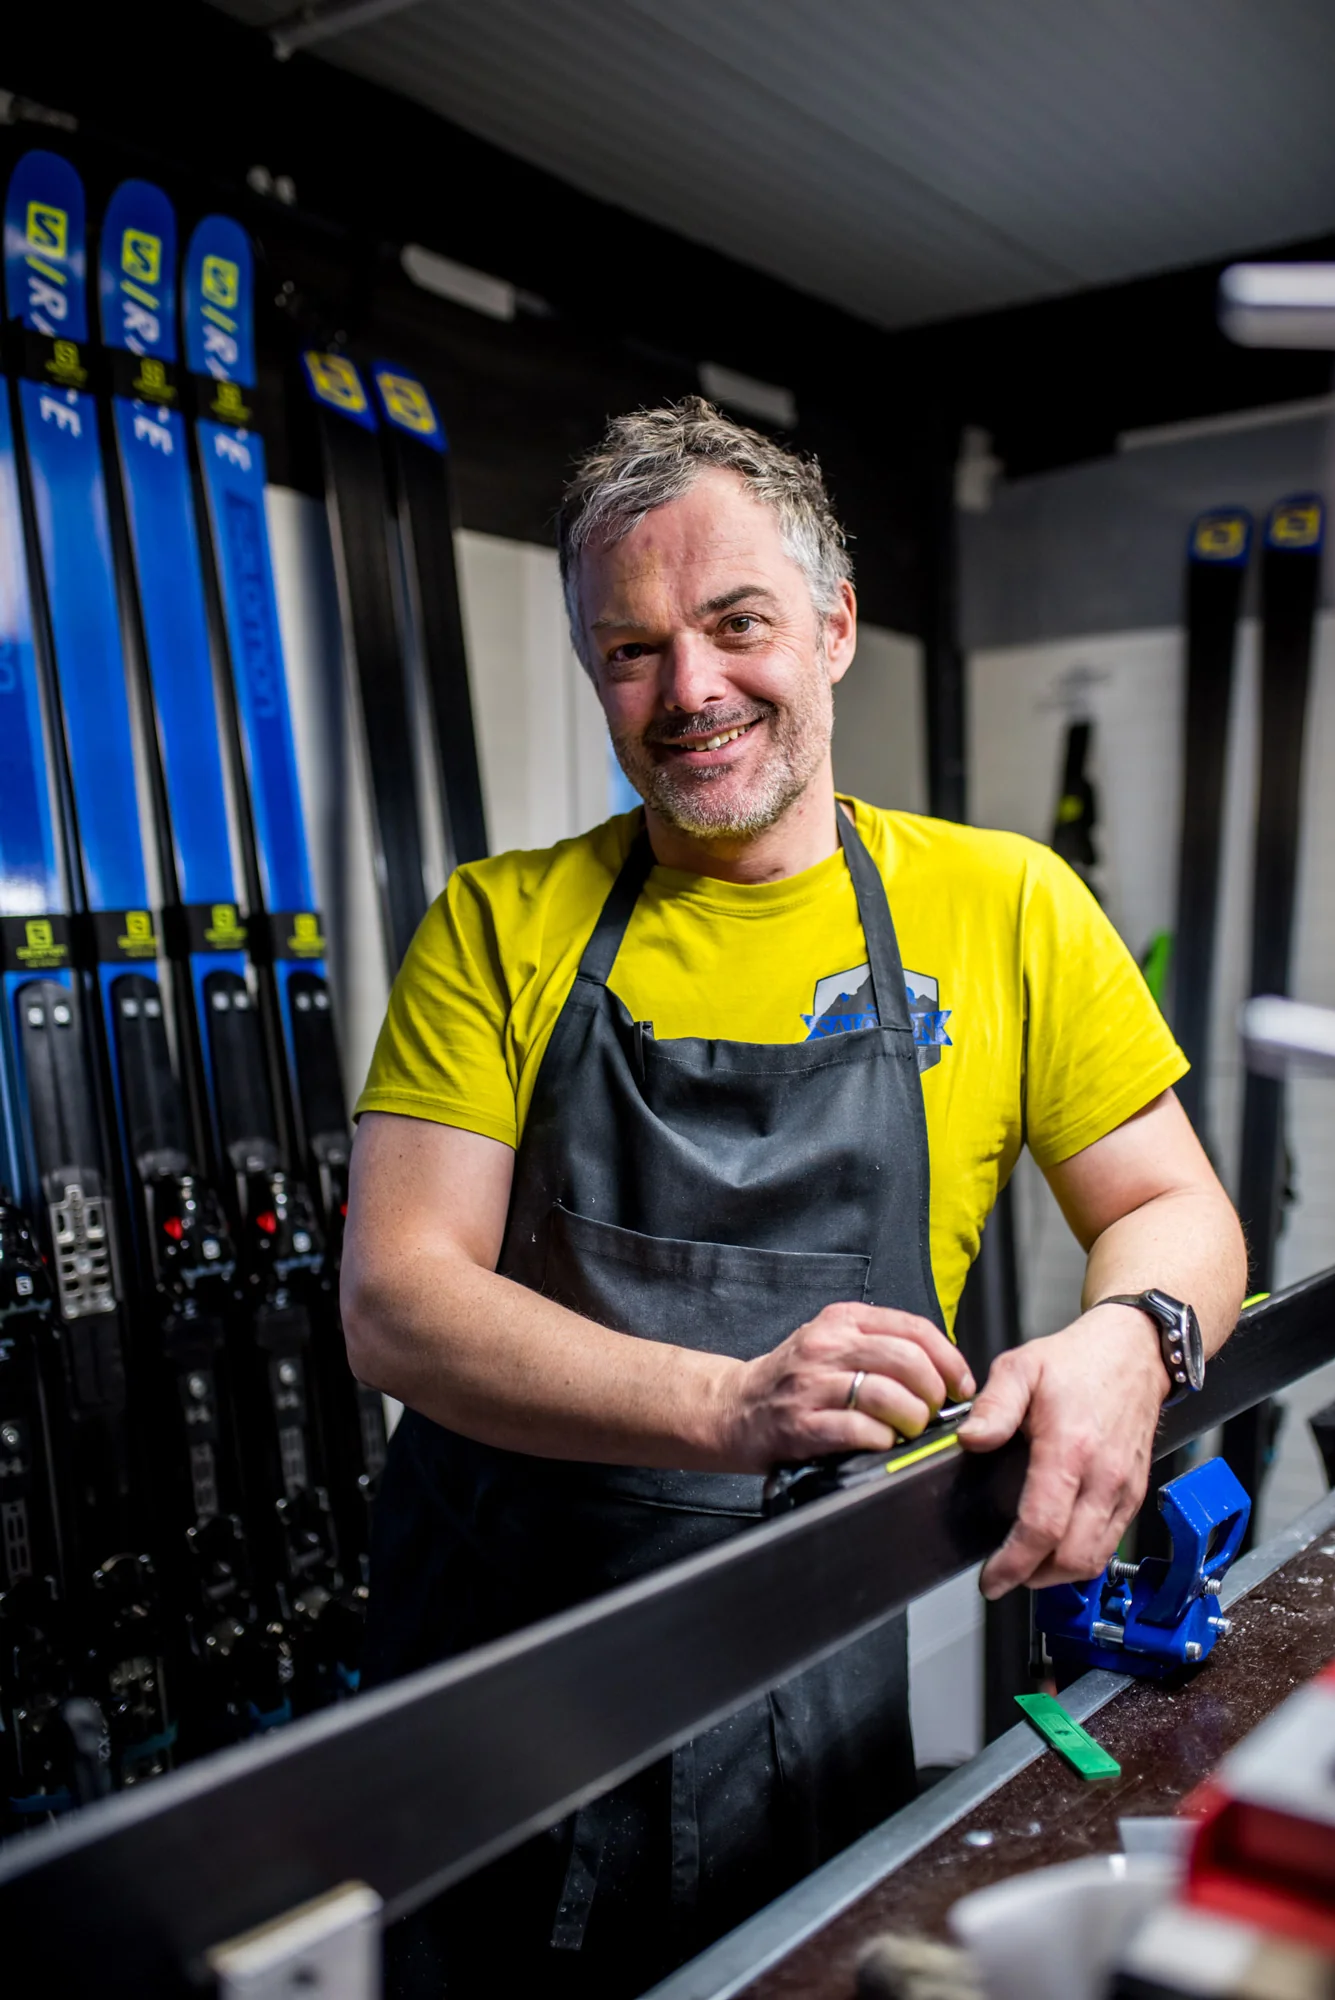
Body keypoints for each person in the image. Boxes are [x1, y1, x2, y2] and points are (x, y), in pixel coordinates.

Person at [342, 399, 1246, 1997]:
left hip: (803, 1643)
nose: (688, 689)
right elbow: (398, 1302)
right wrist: (726, 1403)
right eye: (631, 649)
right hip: (503, 1664)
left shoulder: (1003, 906)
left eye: (735, 623)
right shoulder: (497, 922)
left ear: (832, 627)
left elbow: (1173, 1204)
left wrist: (1132, 1337)